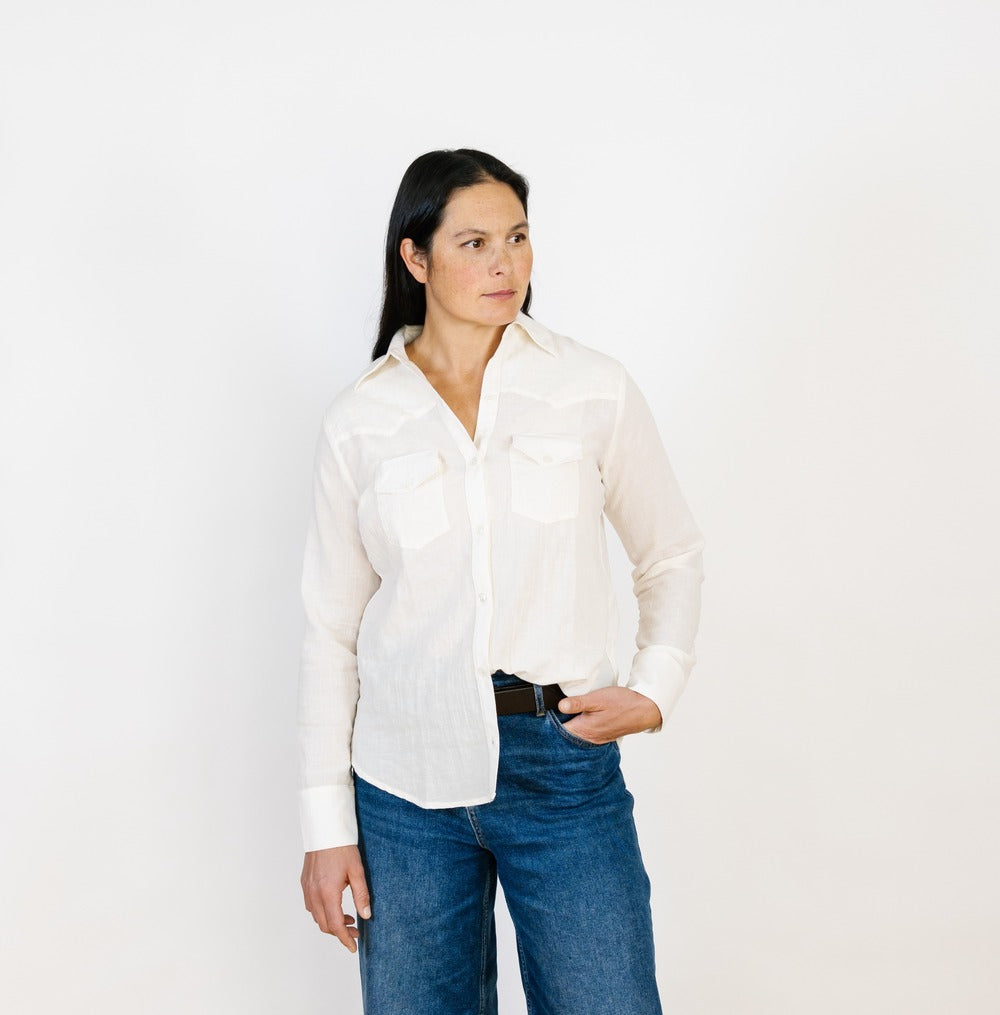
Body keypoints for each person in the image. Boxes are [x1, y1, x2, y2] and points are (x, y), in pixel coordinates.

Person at [297, 148, 705, 1015]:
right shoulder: (361, 420)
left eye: (517, 238)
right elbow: (330, 631)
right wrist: (326, 826)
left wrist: (654, 687)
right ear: (416, 258)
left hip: (562, 760)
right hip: (404, 784)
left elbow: (670, 551)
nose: (504, 264)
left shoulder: (588, 388)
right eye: (474, 243)